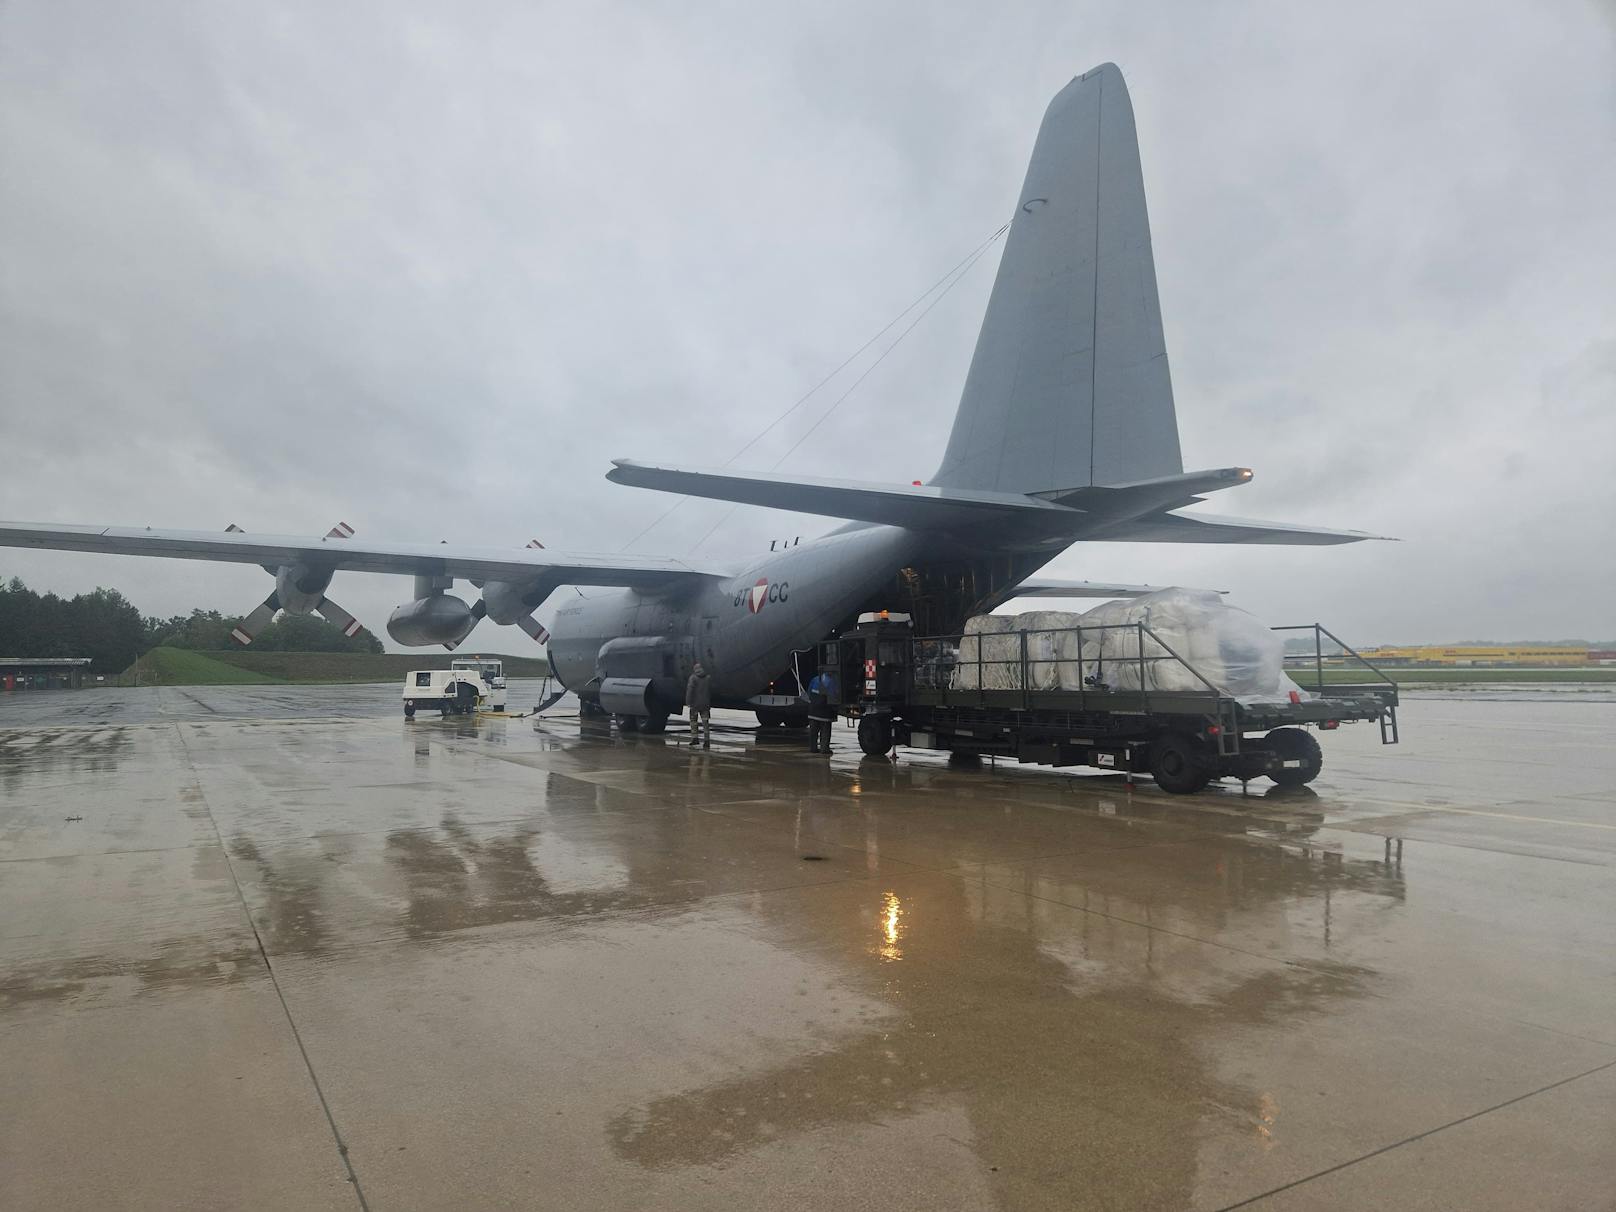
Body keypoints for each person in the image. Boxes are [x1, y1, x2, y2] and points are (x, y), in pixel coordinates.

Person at [806, 668, 837, 755]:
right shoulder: (831, 682)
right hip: (825, 712)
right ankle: (824, 748)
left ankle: (813, 748)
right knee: (825, 731)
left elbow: (809, 692)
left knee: (813, 732)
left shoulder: (815, 679)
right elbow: (833, 696)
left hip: (813, 710)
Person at [685, 661, 712, 747]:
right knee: (705, 723)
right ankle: (707, 741)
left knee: (693, 722)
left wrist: (688, 702)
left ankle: (695, 739)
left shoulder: (693, 678)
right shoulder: (708, 678)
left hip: (695, 705)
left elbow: (690, 691)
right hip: (705, 705)